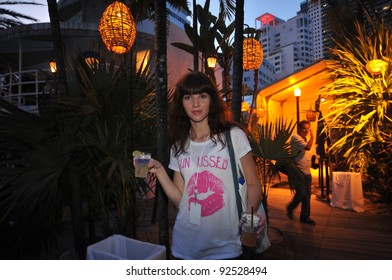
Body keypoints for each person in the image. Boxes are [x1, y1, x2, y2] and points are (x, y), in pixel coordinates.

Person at [145, 71, 265, 259]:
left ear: (212, 100)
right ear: (181, 103)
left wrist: (250, 216)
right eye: (188, 97)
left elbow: (253, 183)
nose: (195, 104)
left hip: (225, 248)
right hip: (184, 247)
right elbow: (180, 199)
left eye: (202, 96)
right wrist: (160, 171)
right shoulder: (179, 145)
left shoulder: (233, 136)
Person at [287, 120, 316, 225]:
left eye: (308, 128)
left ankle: (305, 216)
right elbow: (307, 147)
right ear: (299, 129)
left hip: (307, 170)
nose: (307, 131)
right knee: (302, 192)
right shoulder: (296, 138)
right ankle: (290, 207)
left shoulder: (306, 139)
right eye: (304, 128)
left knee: (307, 195)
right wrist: (313, 136)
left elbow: (308, 153)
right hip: (298, 170)